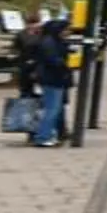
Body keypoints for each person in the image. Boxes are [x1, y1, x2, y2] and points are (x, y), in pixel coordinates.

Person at [27, 14, 75, 147]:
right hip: (52, 78)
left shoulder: (52, 41)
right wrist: (66, 65)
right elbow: (53, 60)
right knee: (51, 109)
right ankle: (43, 136)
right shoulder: (49, 43)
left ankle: (48, 134)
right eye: (66, 30)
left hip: (54, 78)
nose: (68, 32)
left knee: (54, 108)